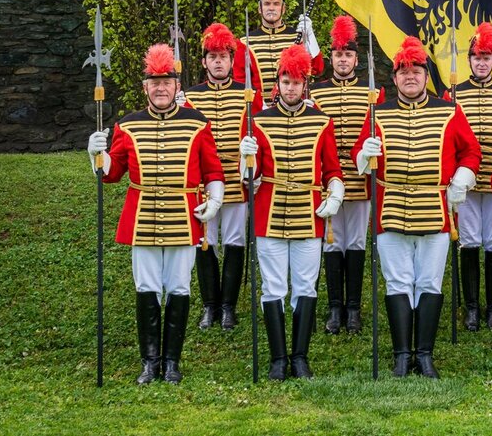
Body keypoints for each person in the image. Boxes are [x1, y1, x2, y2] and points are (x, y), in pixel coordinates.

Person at [86, 43, 224, 384]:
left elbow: (212, 169)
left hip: (183, 217)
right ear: (145, 87)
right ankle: (150, 363)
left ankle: (172, 362)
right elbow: (112, 173)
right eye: (154, 82)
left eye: (167, 82)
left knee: (179, 287)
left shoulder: (197, 123)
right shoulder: (127, 126)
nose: (161, 88)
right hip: (142, 218)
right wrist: (97, 155)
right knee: (146, 288)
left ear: (177, 86)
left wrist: (216, 200)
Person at [353, 36, 481, 378]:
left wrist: (462, 178)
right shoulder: (377, 113)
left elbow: (471, 151)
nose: (410, 77)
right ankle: (401, 354)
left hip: (434, 210)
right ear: (394, 78)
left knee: (429, 282)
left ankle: (424, 355)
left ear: (426, 76)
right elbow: (357, 155)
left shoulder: (449, 110)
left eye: (416, 71)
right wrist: (364, 154)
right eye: (403, 72)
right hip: (391, 208)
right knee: (397, 282)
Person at [241, 45, 344, 380]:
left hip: (308, 216)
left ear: (305, 85)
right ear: (278, 83)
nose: (290, 88)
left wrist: (336, 193)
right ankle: (277, 358)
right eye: (285, 82)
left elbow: (332, 169)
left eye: (296, 82)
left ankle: (299, 357)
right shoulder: (257, 121)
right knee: (273, 288)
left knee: (305, 286)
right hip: (269, 215)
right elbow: (252, 178)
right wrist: (246, 161)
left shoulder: (322, 122)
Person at [184, 22, 263, 331]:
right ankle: (209, 305)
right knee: (205, 241)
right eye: (213, 57)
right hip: (203, 181)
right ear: (204, 62)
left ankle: (228, 306)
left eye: (224, 57)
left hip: (235, 177)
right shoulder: (190, 97)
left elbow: (260, 136)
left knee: (234, 240)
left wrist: (253, 169)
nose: (218, 62)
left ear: (232, 61)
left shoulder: (248, 96)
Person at [309, 15, 382, 335]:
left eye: (348, 54)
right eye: (338, 54)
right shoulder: (316, 93)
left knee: (355, 242)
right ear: (331, 57)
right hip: (328, 180)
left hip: (360, 178)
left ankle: (353, 308)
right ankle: (334, 307)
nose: (342, 59)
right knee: (332, 242)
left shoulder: (372, 93)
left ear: (356, 58)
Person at [445, 22, 492, 333]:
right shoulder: (454, 93)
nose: (482, 63)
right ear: (469, 60)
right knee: (470, 242)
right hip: (465, 182)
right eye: (476, 57)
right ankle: (472, 307)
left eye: (487, 58)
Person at [236, 0, 323, 105]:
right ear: (259, 9)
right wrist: (257, 106)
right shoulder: (245, 42)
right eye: (267, 3)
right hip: (260, 110)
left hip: (294, 107)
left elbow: (317, 68)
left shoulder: (298, 37)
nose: (271, 8)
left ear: (283, 8)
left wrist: (311, 37)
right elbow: (240, 82)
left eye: (276, 4)